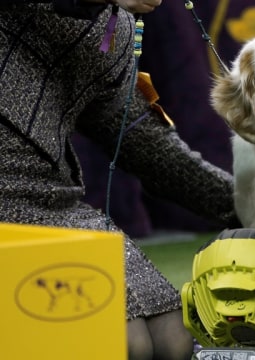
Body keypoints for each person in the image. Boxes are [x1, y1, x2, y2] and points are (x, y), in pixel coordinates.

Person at [0, 1, 239, 359]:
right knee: (125, 344)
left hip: (55, 205)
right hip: (9, 210)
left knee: (174, 340)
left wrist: (244, 205)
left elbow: (137, 136)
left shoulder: (119, 28)